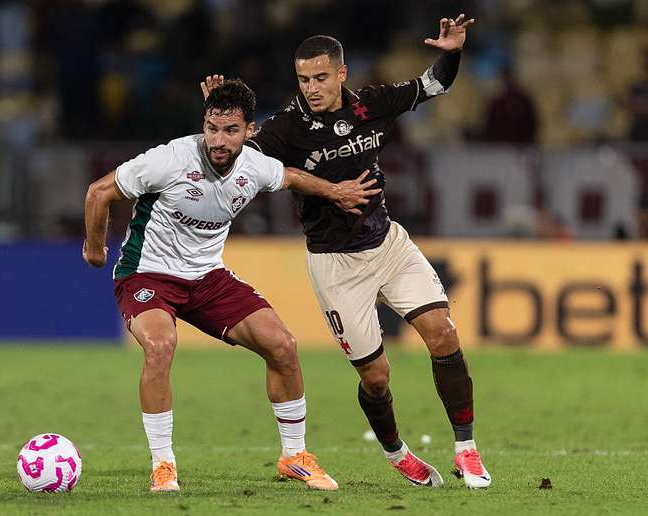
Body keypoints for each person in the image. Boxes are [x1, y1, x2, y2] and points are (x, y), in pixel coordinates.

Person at [201, 14, 491, 489]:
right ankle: (398, 452)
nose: (310, 88)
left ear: (341, 73)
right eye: (302, 79)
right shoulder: (286, 129)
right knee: (376, 376)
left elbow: (433, 86)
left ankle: (467, 450)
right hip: (336, 265)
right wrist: (218, 121)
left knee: (443, 333)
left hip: (388, 243)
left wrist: (452, 52)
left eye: (319, 77)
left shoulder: (372, 105)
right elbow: (232, 156)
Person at [83, 79, 380, 492]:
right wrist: (94, 249)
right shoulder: (169, 159)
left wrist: (335, 192)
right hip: (148, 273)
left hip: (208, 278)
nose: (218, 140)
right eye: (211, 128)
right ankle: (163, 465)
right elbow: (99, 192)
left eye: (230, 130)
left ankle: (294, 457)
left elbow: (291, 176)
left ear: (250, 131)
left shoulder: (255, 167)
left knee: (283, 346)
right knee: (160, 345)